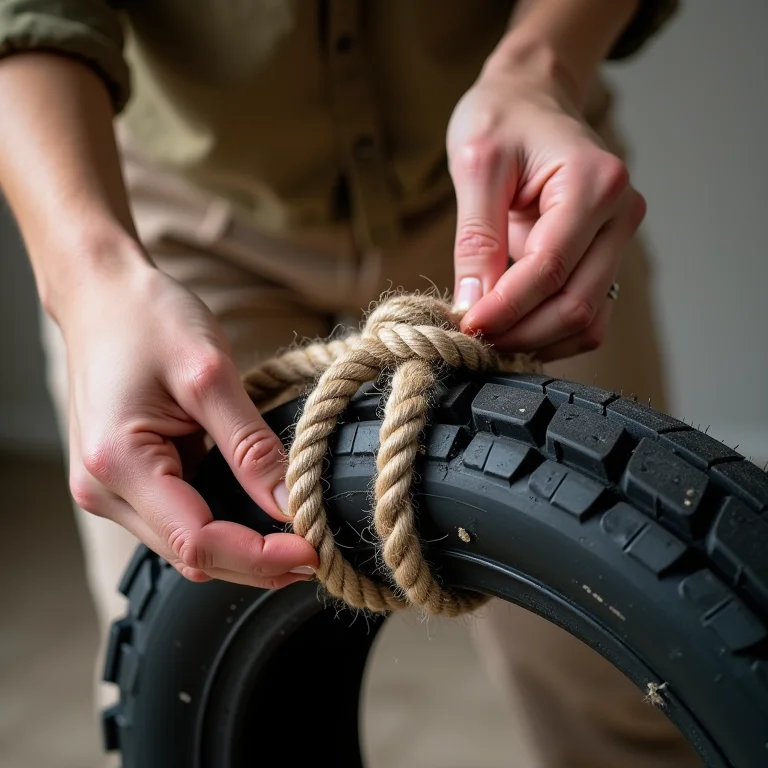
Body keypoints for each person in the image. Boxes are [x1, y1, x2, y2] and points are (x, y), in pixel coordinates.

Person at [0, 0, 701, 765]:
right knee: (196, 689)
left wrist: (542, 66)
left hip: (507, 194)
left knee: (638, 678)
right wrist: (87, 271)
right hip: (160, 229)